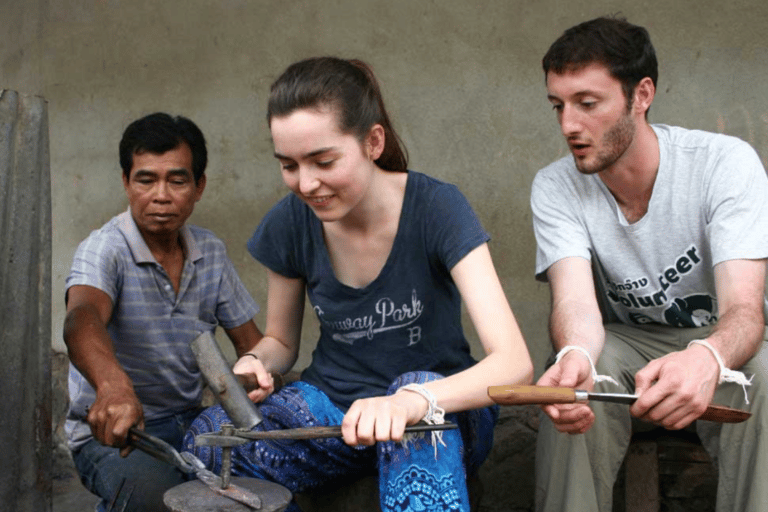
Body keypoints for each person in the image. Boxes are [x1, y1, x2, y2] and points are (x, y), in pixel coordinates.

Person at [184, 56, 534, 512]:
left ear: (372, 142)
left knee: (417, 429)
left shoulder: (437, 208)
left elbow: (515, 364)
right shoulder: (290, 223)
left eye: (323, 161)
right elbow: (281, 341)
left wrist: (412, 401)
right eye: (288, 165)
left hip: (436, 411)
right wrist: (256, 360)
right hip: (335, 416)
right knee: (210, 443)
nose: (306, 183)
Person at [530, 16, 768, 512]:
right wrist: (573, 353)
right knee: (576, 377)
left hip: (721, 345)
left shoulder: (723, 163)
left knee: (765, 374)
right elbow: (574, 303)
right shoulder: (555, 186)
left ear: (641, 95)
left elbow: (745, 313)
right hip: (627, 348)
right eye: (558, 106)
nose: (569, 125)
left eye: (588, 104)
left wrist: (706, 358)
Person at [63, 112, 262, 512]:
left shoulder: (211, 253)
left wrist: (255, 377)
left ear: (199, 186)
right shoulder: (105, 248)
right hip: (121, 436)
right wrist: (113, 387)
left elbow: (254, 346)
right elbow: (81, 318)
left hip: (193, 424)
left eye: (177, 179)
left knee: (257, 491)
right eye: (145, 179)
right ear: (126, 182)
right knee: (161, 501)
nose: (161, 195)